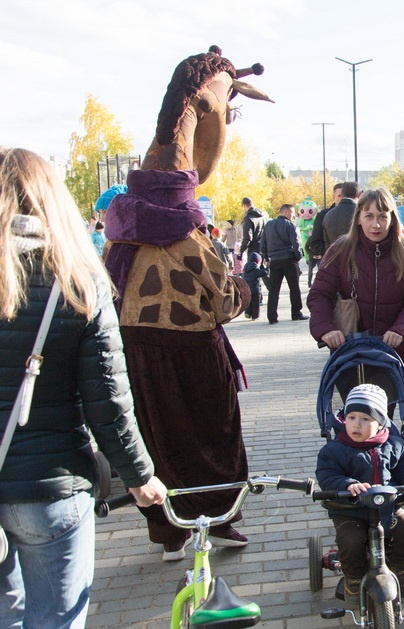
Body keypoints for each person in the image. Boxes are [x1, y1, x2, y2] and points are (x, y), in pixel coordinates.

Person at [0, 147, 168, 627]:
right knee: (54, 618)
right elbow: (108, 403)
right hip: (52, 486)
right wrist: (139, 477)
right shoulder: (74, 281)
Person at [104, 169, 252, 561]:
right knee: (212, 436)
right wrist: (244, 289)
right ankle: (217, 518)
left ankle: (168, 531)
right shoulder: (189, 240)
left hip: (135, 353)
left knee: (156, 438)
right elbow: (224, 301)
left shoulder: (118, 242)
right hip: (193, 352)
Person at [315, 384, 404, 598]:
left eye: (365, 419)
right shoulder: (334, 450)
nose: (356, 424)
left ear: (380, 424)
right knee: (350, 538)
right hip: (350, 510)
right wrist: (346, 484)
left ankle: (402, 568)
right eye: (351, 417)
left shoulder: (393, 445)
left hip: (388, 507)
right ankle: (354, 577)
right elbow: (327, 474)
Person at [307, 188, 404, 368]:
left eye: (382, 216)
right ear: (358, 218)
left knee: (393, 396)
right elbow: (319, 295)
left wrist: (400, 329)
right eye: (369, 216)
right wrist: (325, 329)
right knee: (352, 397)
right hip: (349, 352)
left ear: (392, 218)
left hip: (392, 353)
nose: (376, 225)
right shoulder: (340, 251)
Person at [260, 203, 307, 324]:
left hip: (274, 260)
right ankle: (296, 313)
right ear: (285, 212)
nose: (293, 216)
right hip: (289, 259)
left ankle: (272, 316)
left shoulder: (268, 225)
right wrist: (298, 257)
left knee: (274, 289)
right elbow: (296, 243)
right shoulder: (290, 225)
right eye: (292, 213)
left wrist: (266, 257)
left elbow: (263, 243)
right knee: (294, 287)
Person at [307, 182, 344, 261]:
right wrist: (333, 252)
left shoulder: (356, 214)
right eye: (339, 196)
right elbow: (315, 243)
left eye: (345, 196)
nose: (342, 198)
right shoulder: (323, 215)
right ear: (333, 197)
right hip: (331, 261)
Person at [322, 181, 361, 252]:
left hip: (334, 258)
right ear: (359, 195)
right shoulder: (361, 213)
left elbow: (327, 243)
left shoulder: (328, 215)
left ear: (342, 194)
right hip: (357, 258)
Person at [241, 253, 268, 321]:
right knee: (255, 304)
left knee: (249, 302)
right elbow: (264, 273)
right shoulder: (255, 270)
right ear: (258, 261)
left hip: (247, 289)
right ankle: (255, 316)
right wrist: (267, 267)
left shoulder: (245, 269)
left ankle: (248, 312)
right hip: (255, 290)